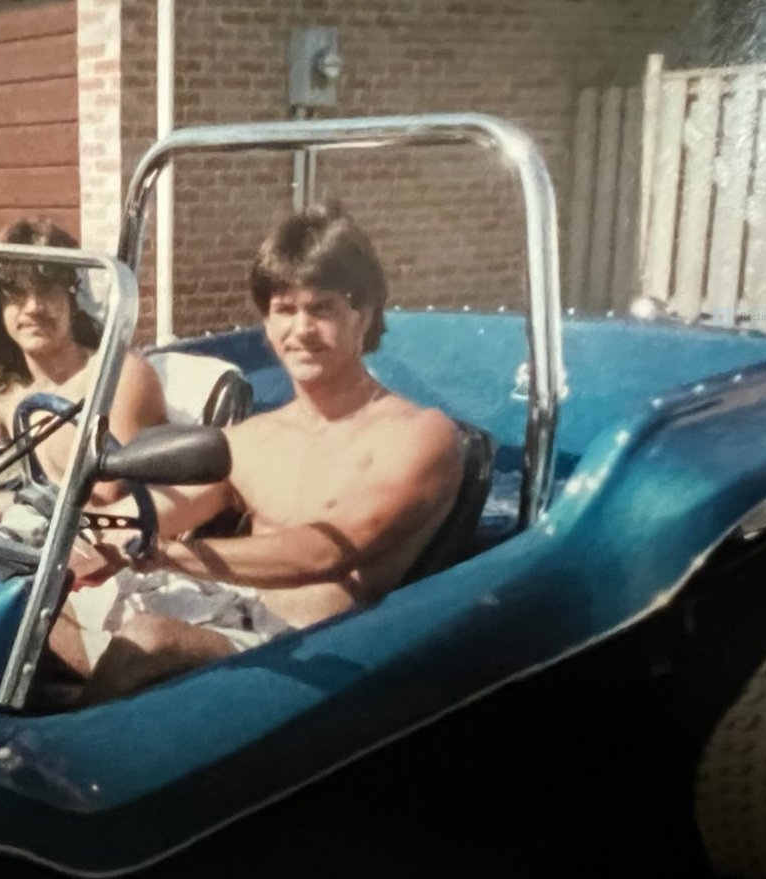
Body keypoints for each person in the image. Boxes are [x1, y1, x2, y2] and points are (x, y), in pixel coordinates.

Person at [50, 203, 465, 704]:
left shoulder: (419, 435)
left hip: (314, 654)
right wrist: (81, 542)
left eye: (324, 308)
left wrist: (165, 554)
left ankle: (69, 759)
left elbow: (323, 553)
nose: (302, 331)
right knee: (31, 609)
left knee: (148, 641)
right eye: (285, 310)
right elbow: (148, 514)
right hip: (226, 611)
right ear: (266, 323)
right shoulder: (254, 438)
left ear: (366, 314)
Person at [0, 218, 166, 521]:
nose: (32, 307)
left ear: (74, 300)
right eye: (15, 293)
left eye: (47, 290)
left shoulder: (118, 375)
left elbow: (101, 504)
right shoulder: (8, 395)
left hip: (122, 553)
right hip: (45, 554)